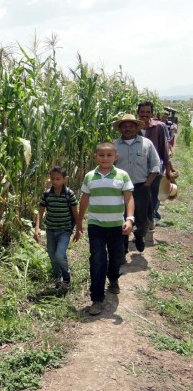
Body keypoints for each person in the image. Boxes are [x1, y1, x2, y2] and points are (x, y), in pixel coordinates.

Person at [77, 142, 135, 316]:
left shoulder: (122, 176)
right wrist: (79, 223)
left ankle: (114, 277)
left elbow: (129, 199)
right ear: (95, 157)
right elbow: (84, 200)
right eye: (101, 155)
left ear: (115, 157)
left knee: (117, 256)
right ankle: (97, 299)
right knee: (97, 259)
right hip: (96, 225)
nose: (105, 158)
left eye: (109, 155)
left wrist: (130, 219)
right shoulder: (89, 177)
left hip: (117, 226)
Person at [112, 113, 160, 253]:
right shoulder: (114, 146)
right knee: (121, 216)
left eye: (131, 126)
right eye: (125, 126)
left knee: (142, 217)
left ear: (136, 127)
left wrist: (147, 185)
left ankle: (139, 236)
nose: (128, 129)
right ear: (120, 129)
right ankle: (123, 245)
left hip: (140, 186)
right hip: (120, 188)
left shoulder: (146, 144)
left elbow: (155, 166)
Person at [34, 166, 81, 289]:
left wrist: (78, 229)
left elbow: (75, 213)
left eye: (58, 179)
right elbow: (40, 211)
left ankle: (66, 277)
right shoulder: (47, 194)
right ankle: (57, 277)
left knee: (60, 254)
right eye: (52, 179)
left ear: (65, 179)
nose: (55, 181)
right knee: (52, 254)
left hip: (65, 230)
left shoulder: (69, 194)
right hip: (50, 229)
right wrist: (37, 228)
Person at [136, 102, 174, 224]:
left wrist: (168, 168)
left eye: (148, 112)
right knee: (140, 193)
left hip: (156, 167)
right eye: (142, 112)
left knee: (154, 193)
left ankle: (151, 216)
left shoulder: (159, 127)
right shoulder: (133, 127)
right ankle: (141, 218)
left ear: (152, 113)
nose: (145, 115)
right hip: (138, 168)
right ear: (138, 113)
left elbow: (164, 147)